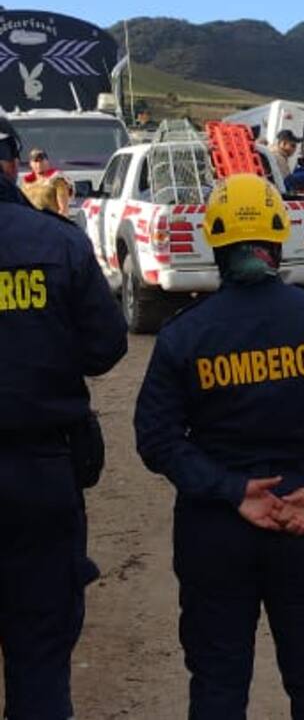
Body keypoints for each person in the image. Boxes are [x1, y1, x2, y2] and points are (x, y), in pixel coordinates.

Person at [133, 173, 304, 719]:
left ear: (215, 242)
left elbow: (156, 439)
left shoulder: (185, 334)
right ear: (278, 238)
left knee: (218, 684)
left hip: (216, 529)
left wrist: (232, 491)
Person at [0, 114, 128, 719]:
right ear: (12, 163)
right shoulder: (55, 241)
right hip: (40, 470)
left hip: (42, 461)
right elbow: (105, 347)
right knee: (41, 649)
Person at [20, 147, 72, 215]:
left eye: (41, 160)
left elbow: (64, 210)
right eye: (35, 161)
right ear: (30, 164)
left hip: (50, 222)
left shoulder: (57, 180)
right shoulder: (26, 183)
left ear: (47, 162)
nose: (39, 164)